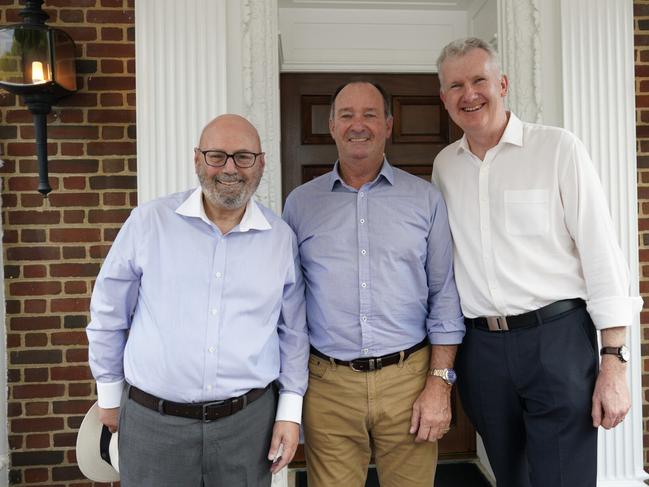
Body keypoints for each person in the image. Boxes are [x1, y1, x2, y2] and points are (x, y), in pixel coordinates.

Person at [432, 37, 643, 487]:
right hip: (482, 351)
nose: (469, 94)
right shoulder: (444, 166)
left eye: (478, 80)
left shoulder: (558, 149)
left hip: (558, 342)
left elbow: (603, 255)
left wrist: (614, 365)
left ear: (502, 83)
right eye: (456, 85)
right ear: (444, 98)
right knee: (510, 478)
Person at [86, 114, 309, 487]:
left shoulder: (280, 239)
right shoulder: (149, 223)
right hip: (154, 425)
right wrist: (108, 395)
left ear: (261, 162)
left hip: (247, 427)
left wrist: (290, 412)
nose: (230, 168)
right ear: (196, 159)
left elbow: (293, 333)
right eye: (217, 156)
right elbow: (109, 311)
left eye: (243, 157)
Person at [283, 80, 465, 487]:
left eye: (369, 115)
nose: (357, 125)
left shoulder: (425, 200)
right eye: (346, 115)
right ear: (331, 125)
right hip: (328, 386)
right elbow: (289, 306)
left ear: (388, 124)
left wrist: (439, 384)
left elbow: (445, 295)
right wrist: (290, 396)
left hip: (410, 379)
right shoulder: (300, 204)